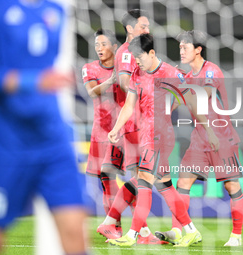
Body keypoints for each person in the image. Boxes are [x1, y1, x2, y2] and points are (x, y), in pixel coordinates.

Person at [0, 0, 88, 254]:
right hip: (6, 143)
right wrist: (35, 81)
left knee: (75, 233)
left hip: (53, 139)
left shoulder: (56, 9)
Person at [107, 33, 217, 247]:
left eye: (139, 56)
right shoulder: (137, 73)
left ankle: (132, 235)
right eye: (134, 57)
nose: (136, 61)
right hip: (145, 136)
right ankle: (191, 230)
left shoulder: (171, 74)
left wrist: (209, 131)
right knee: (165, 186)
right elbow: (129, 106)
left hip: (160, 137)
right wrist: (116, 129)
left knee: (144, 181)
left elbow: (193, 103)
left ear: (152, 53)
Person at [155, 30, 243, 247]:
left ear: (198, 49)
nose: (181, 50)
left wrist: (181, 85)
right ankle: (179, 230)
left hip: (221, 136)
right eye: (180, 47)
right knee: (183, 182)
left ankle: (236, 236)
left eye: (186, 46)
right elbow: (174, 103)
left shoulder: (212, 72)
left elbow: (202, 97)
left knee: (232, 186)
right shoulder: (186, 76)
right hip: (199, 137)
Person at [97, 9, 165, 245]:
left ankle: (142, 233)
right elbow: (126, 84)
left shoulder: (133, 52)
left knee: (143, 178)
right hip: (136, 122)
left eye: (147, 27)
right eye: (143, 26)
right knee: (145, 177)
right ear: (129, 28)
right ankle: (110, 221)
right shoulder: (127, 53)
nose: (147, 30)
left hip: (136, 122)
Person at [82, 28, 120, 215]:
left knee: (138, 177)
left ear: (114, 46)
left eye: (104, 44)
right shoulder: (89, 68)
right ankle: (114, 225)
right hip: (102, 130)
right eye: (97, 45)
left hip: (126, 129)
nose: (99, 48)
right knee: (106, 179)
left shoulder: (126, 68)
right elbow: (92, 91)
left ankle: (141, 227)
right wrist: (112, 80)